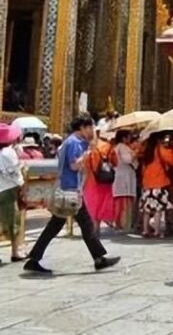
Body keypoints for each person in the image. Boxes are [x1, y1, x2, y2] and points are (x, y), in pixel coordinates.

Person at [23, 115, 120, 275]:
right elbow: (74, 165)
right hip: (69, 190)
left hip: (69, 189)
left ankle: (35, 258)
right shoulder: (74, 142)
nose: (91, 131)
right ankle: (98, 259)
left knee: (61, 225)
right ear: (82, 127)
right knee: (83, 224)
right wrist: (87, 155)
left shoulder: (73, 141)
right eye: (89, 127)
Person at [140, 130, 173, 238]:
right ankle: (157, 231)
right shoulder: (160, 148)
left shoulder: (146, 149)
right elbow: (172, 161)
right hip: (158, 181)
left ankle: (145, 230)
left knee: (147, 208)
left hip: (146, 182)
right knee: (158, 208)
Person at [0, 124, 27, 264]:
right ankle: (16, 251)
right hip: (7, 190)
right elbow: (15, 175)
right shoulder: (8, 153)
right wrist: (23, 187)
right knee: (12, 222)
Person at [82, 133, 119, 232]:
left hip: (90, 181)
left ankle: (93, 228)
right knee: (102, 204)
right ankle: (97, 226)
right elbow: (115, 162)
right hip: (105, 181)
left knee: (92, 204)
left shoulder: (87, 147)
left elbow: (83, 165)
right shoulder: (108, 147)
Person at [112, 131, 138, 232]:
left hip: (120, 175)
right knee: (125, 201)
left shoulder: (116, 147)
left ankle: (119, 223)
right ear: (124, 138)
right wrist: (135, 153)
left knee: (121, 200)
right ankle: (124, 224)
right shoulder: (123, 147)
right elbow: (128, 159)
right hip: (125, 176)